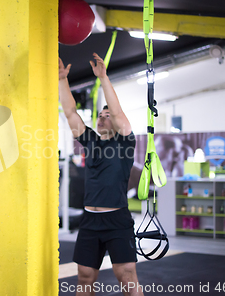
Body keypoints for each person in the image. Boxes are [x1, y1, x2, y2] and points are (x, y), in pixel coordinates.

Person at [59, 53, 143, 296]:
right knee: (84, 277)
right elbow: (70, 113)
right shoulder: (91, 141)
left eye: (108, 116)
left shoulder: (125, 141)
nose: (103, 118)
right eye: (100, 115)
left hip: (117, 221)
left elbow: (117, 114)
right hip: (90, 221)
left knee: (126, 276)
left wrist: (103, 78)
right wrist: (62, 81)